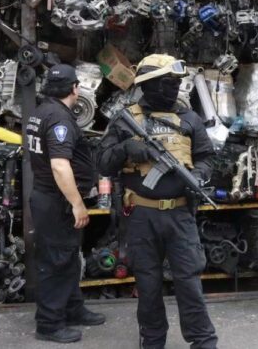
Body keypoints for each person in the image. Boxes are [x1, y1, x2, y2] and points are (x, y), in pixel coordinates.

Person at [97, 55, 218, 349]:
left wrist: (198, 176)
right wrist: (126, 148)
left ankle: (203, 341)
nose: (174, 88)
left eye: (176, 82)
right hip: (141, 216)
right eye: (168, 82)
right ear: (148, 85)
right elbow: (102, 162)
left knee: (189, 282)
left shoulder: (189, 118)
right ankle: (152, 341)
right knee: (148, 284)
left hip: (180, 214)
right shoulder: (125, 119)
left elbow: (206, 157)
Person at [26, 64, 105, 343]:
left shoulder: (41, 111)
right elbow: (60, 166)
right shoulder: (58, 117)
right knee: (56, 261)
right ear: (74, 88)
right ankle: (49, 324)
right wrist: (77, 204)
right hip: (57, 200)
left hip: (50, 198)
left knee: (68, 257)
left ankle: (72, 308)